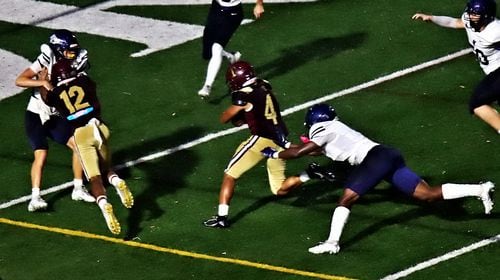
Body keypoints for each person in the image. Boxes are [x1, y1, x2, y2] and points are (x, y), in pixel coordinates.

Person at [261, 103, 495, 254]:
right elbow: (314, 150)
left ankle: (332, 242)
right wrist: (285, 147)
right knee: (427, 194)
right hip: (387, 154)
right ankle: (479, 190)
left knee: (346, 199)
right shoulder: (334, 128)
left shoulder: (323, 128)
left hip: (374, 158)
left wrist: (276, 153)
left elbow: (302, 152)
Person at [203, 61, 334, 228]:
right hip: (279, 135)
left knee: (230, 175)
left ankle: (221, 217)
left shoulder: (244, 95)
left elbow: (225, 118)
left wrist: (239, 113)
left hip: (262, 139)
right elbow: (257, 105)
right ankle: (308, 174)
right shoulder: (264, 85)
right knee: (279, 189)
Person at [39, 59, 134, 235]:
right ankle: (117, 181)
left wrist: (44, 81)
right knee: (107, 169)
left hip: (82, 134)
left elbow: (47, 98)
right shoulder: (84, 81)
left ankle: (104, 205)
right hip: (100, 127)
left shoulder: (57, 93)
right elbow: (88, 83)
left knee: (95, 179)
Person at [15, 29, 95, 212]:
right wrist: (42, 82)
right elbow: (20, 80)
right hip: (36, 112)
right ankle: (35, 198)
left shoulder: (72, 64)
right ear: (58, 49)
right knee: (41, 153)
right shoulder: (46, 59)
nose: (73, 54)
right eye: (69, 50)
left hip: (55, 114)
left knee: (78, 145)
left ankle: (78, 188)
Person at [412, 0, 500, 134]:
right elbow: (455, 22)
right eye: (470, 12)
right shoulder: (470, 21)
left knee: (477, 103)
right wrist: (432, 18)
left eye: (475, 14)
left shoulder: (495, 31)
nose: (471, 16)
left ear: (487, 15)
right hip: (492, 74)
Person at [197, 0, 265, 98]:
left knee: (217, 48)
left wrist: (259, 4)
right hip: (216, 8)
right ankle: (230, 56)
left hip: (233, 13)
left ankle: (207, 86)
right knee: (207, 53)